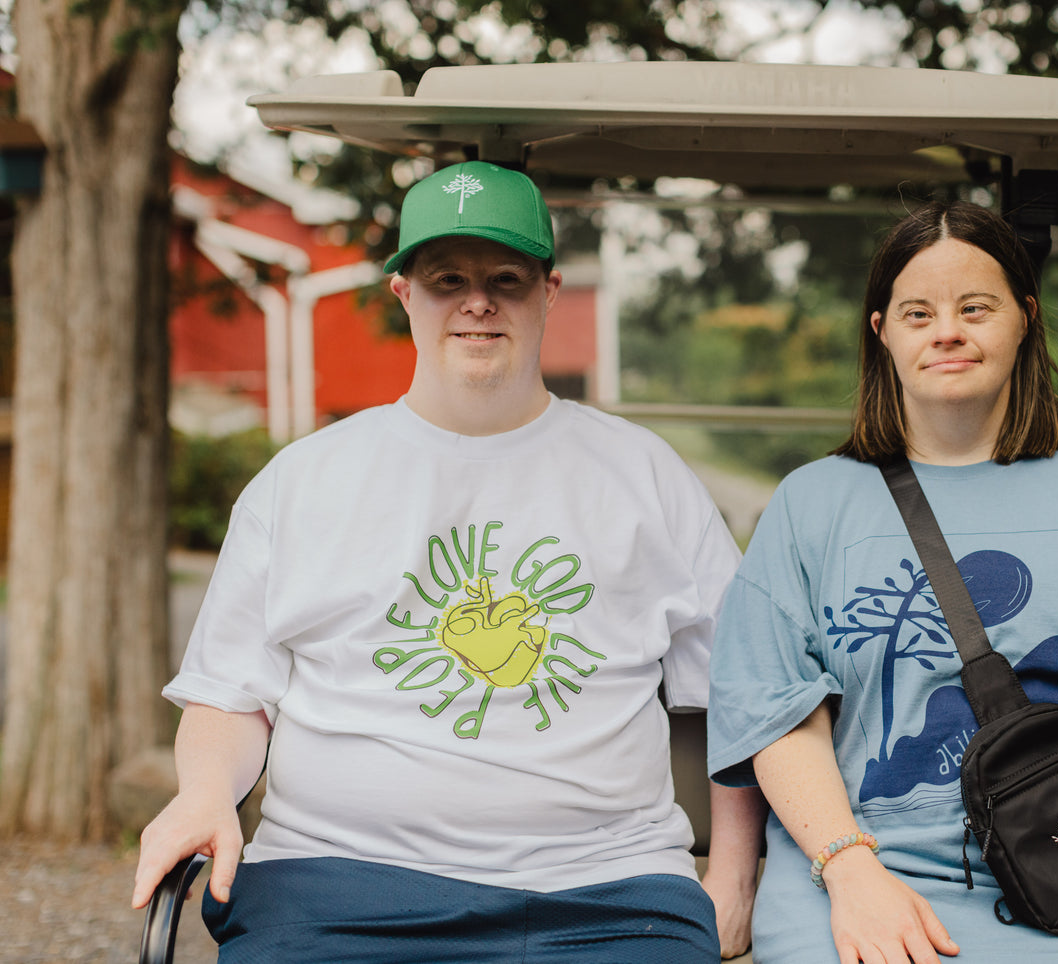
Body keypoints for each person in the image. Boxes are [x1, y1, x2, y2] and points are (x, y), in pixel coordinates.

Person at [133, 160, 765, 962]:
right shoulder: (301, 481)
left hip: (605, 895)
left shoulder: (646, 476)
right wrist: (202, 794)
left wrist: (734, 879)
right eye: (446, 278)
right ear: (404, 294)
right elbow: (229, 696)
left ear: (549, 291)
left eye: (506, 276)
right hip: (335, 889)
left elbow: (746, 694)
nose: (477, 301)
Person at [706, 200, 1058, 964]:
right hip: (876, 885)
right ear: (881, 333)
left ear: (1023, 317)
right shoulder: (811, 504)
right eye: (918, 312)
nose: (947, 330)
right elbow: (774, 709)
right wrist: (849, 873)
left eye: (974, 307)